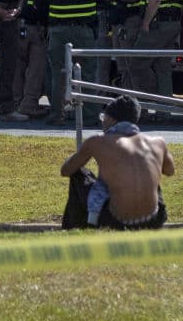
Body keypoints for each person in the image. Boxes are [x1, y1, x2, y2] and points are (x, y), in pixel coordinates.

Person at [60, 94, 174, 230]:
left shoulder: (97, 142)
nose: (102, 121)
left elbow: (66, 170)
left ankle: (78, 228)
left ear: (111, 119)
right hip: (153, 219)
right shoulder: (158, 143)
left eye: (104, 117)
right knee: (149, 171)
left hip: (115, 220)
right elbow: (169, 171)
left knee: (78, 173)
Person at [36, 0, 102, 126]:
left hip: (59, 33)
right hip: (85, 32)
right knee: (88, 73)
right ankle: (89, 116)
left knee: (57, 74)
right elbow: (101, 3)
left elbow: (40, 7)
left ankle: (57, 114)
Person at [13, 0, 52, 118]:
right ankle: (15, 102)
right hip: (18, 25)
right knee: (16, 68)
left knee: (37, 69)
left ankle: (29, 103)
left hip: (39, 28)